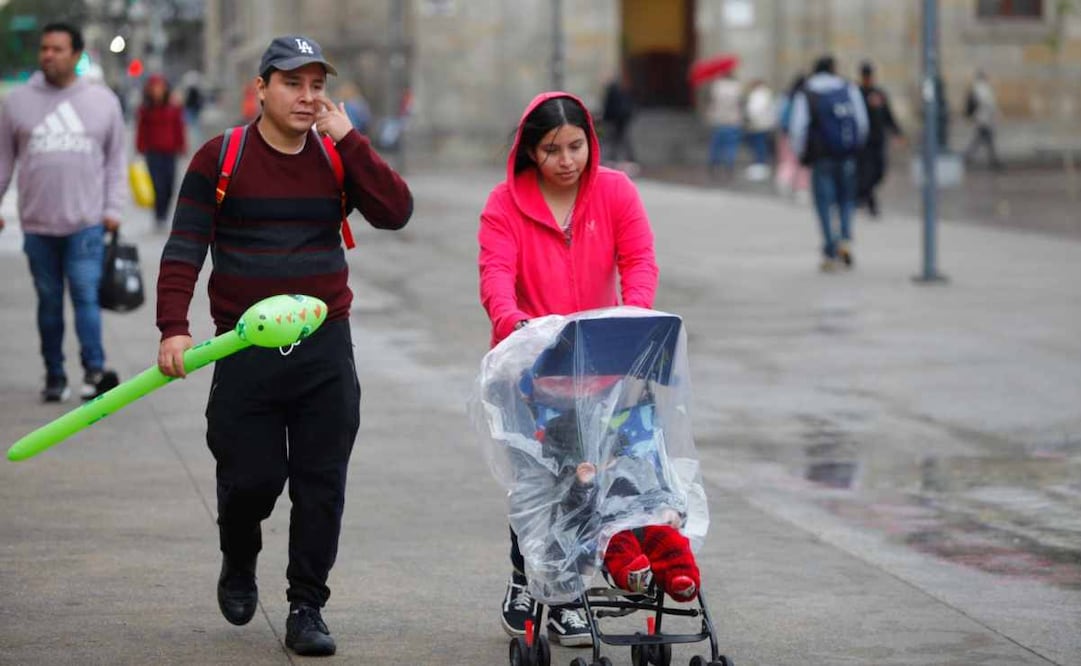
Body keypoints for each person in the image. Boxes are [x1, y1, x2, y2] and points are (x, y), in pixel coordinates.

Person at [155, 35, 413, 657]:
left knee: (322, 483)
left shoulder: (334, 155)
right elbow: (185, 246)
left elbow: (396, 210)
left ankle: (306, 606)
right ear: (262, 88)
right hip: (243, 347)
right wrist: (173, 327)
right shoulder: (221, 157)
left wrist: (351, 141)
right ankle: (239, 555)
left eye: (316, 85)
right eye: (293, 83)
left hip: (325, 345)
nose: (306, 96)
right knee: (251, 479)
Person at [478, 92, 659, 647]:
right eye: (552, 149)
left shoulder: (615, 191)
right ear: (530, 151)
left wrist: (633, 319)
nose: (566, 160)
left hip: (601, 364)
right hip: (529, 367)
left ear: (590, 142)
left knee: (586, 482)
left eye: (576, 146)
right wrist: (514, 322)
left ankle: (566, 593)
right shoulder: (504, 204)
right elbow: (496, 273)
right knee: (537, 482)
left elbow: (638, 260)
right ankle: (529, 580)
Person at [0, 22, 125, 402]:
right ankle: (54, 375)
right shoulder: (16, 102)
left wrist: (113, 207)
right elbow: (4, 162)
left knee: (86, 297)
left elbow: (115, 161)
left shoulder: (103, 101)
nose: (48, 55)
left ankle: (94, 370)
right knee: (49, 303)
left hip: (86, 223)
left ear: (76, 54)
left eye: (57, 49)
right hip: (37, 225)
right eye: (44, 49)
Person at [790, 55, 868, 271]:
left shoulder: (807, 91)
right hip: (845, 152)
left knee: (824, 202)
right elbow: (861, 122)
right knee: (846, 198)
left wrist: (801, 154)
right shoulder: (848, 87)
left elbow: (798, 127)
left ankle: (830, 248)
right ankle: (844, 238)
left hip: (821, 155)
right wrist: (855, 146)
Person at [135, 74, 187, 228]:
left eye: (160, 87)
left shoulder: (173, 108)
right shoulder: (145, 109)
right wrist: (140, 147)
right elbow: (141, 130)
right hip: (153, 152)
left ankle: (164, 212)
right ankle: (159, 215)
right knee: (158, 185)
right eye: (154, 88)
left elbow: (179, 128)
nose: (157, 91)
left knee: (170, 183)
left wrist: (181, 145)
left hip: (170, 152)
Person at [855, 61, 904, 217]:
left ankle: (861, 195)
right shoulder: (857, 93)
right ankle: (870, 202)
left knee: (879, 172)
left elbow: (888, 115)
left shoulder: (879, 94)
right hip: (863, 141)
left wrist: (897, 132)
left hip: (878, 140)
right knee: (866, 173)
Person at [774, 73, 811, 201]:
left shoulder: (787, 96)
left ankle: (783, 180)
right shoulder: (805, 97)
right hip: (802, 134)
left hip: (786, 133)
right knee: (802, 163)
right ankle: (801, 188)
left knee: (787, 160)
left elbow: (779, 114)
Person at [704, 72, 743, 179]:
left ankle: (713, 165)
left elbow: (710, 102)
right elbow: (740, 103)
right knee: (731, 145)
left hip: (719, 120)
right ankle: (729, 165)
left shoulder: (716, 86)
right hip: (733, 120)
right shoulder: (737, 87)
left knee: (716, 145)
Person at [963, 70, 1003, 170]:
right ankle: (993, 161)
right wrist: (995, 113)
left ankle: (968, 157)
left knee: (982, 139)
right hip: (984, 117)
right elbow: (987, 103)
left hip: (981, 117)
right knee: (985, 139)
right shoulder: (982, 88)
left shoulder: (977, 87)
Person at [601, 69, 638, 172]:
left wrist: (606, 118)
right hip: (619, 118)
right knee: (618, 140)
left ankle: (617, 159)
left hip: (617, 118)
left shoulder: (616, 88)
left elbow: (609, 105)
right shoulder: (623, 87)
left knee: (617, 140)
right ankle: (618, 159)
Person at [742, 79, 775, 181]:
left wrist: (750, 118)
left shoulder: (758, 95)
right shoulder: (766, 93)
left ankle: (760, 166)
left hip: (758, 124)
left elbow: (754, 110)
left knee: (759, 145)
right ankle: (760, 165)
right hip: (764, 124)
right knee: (760, 145)